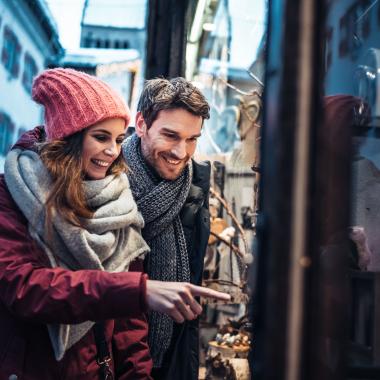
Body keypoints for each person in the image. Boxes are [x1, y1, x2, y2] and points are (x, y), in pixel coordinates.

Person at [0, 68, 229, 380]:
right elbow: (24, 287)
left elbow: (128, 326)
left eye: (119, 139)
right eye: (100, 137)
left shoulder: (118, 199)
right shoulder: (11, 192)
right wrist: (139, 290)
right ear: (68, 135)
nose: (112, 151)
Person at [122, 77, 212, 380]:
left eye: (192, 139)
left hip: (171, 359)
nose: (181, 152)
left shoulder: (196, 184)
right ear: (142, 124)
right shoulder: (105, 179)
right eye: (171, 135)